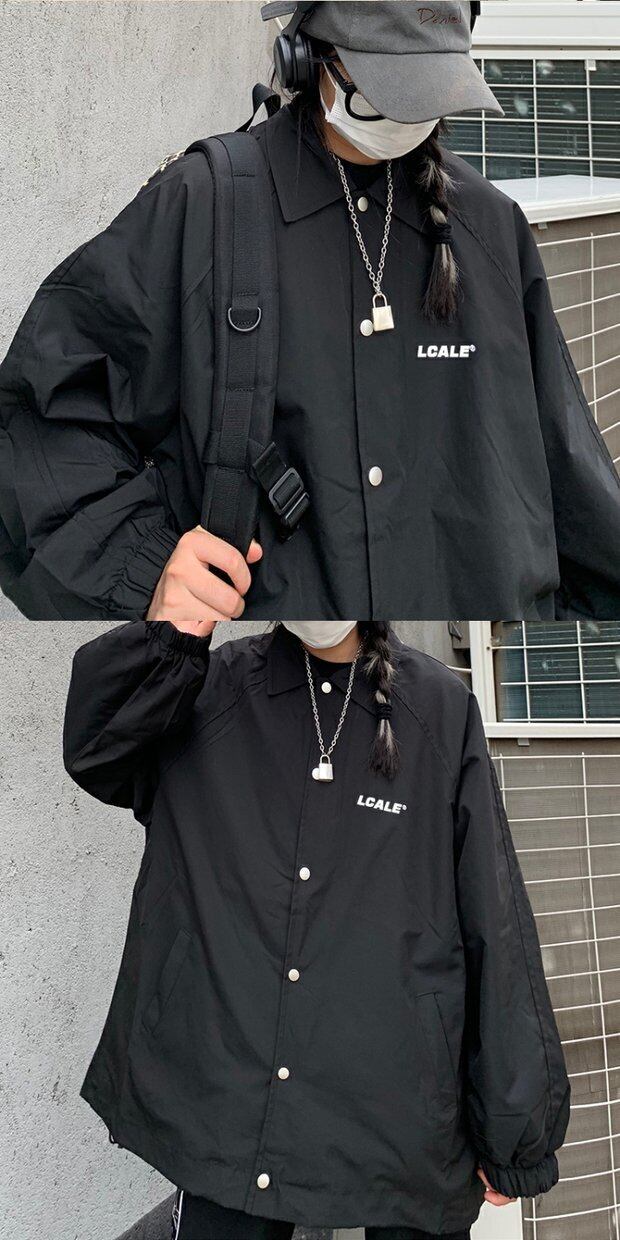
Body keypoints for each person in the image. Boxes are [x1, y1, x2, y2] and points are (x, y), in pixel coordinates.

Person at [2, 2, 619, 622]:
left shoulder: (493, 230)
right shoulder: (206, 205)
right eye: (385, 88)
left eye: (428, 92)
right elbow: (40, 422)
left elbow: (574, 492)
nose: (406, 116)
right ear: (307, 57)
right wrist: (146, 566)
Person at [63, 618, 570, 1240]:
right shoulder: (210, 689)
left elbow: (493, 916)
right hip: (230, 1097)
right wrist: (175, 630)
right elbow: (97, 749)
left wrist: (514, 1132)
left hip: (400, 1107)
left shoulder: (438, 709)